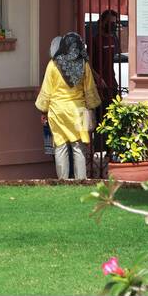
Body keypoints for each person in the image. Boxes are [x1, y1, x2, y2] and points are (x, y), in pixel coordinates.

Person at [35, 31, 100, 180]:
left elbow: (46, 90)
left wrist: (43, 110)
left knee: (60, 145)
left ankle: (63, 181)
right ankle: (81, 180)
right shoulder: (84, 64)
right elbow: (89, 90)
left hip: (57, 110)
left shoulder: (53, 64)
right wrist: (92, 107)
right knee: (79, 147)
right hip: (80, 110)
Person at [90, 9, 121, 120]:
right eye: (110, 23)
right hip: (99, 87)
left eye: (114, 23)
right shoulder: (95, 40)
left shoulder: (113, 39)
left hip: (112, 83)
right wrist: (98, 78)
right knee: (101, 119)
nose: (113, 25)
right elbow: (88, 64)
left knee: (114, 117)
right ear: (102, 23)